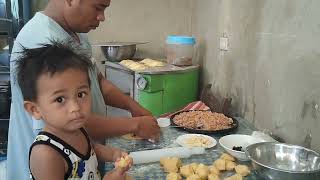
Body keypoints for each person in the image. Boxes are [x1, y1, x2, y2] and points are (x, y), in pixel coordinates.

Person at [7, 0, 160, 179]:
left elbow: (97, 81)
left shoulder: (76, 34)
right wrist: (135, 124)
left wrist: (132, 106)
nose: (102, 17)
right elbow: (69, 121)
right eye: (98, 7)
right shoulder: (42, 40)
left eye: (80, 95)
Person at [17, 42, 133, 180]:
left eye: (81, 94)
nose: (76, 107)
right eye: (60, 99)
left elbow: (91, 149)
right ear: (35, 109)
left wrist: (113, 154)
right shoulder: (46, 154)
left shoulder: (77, 128)